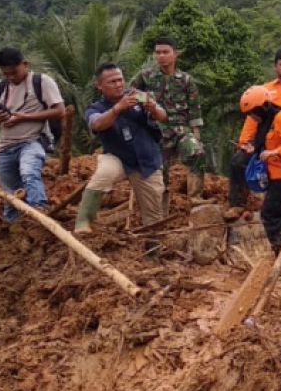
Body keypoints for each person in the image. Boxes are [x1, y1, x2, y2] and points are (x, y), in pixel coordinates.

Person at [74, 63, 167, 246]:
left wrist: (152, 107)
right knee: (103, 174)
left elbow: (163, 116)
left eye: (120, 80)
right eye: (112, 81)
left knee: (154, 214)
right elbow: (97, 125)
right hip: (117, 157)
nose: (118, 84)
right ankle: (83, 221)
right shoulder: (95, 108)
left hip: (147, 161)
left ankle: (154, 252)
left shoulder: (136, 96)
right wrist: (118, 108)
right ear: (99, 86)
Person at [228, 48, 281, 215]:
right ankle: (237, 204)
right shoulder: (264, 90)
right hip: (267, 142)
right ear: (275, 67)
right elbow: (252, 118)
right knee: (238, 161)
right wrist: (244, 142)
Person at [0, 47, 66, 223]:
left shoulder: (41, 82)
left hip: (33, 140)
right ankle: (15, 223)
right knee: (9, 188)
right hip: (5, 146)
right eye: (6, 73)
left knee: (29, 172)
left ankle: (39, 210)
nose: (11, 77)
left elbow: (60, 111)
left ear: (25, 65)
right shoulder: (0, 88)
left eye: (14, 72)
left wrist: (23, 117)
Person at [130, 36, 206, 202]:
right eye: (158, 52)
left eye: (165, 52)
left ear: (175, 54)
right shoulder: (146, 76)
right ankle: (159, 201)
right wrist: (146, 100)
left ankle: (195, 198)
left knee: (197, 153)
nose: (161, 56)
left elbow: (195, 107)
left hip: (181, 129)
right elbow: (131, 93)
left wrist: (196, 134)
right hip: (155, 130)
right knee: (159, 169)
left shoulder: (186, 80)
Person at [239, 85, 281, 253]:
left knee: (270, 214)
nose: (252, 117)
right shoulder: (266, 124)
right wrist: (256, 150)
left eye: (254, 112)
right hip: (277, 175)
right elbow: (270, 143)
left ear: (263, 107)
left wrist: (275, 152)